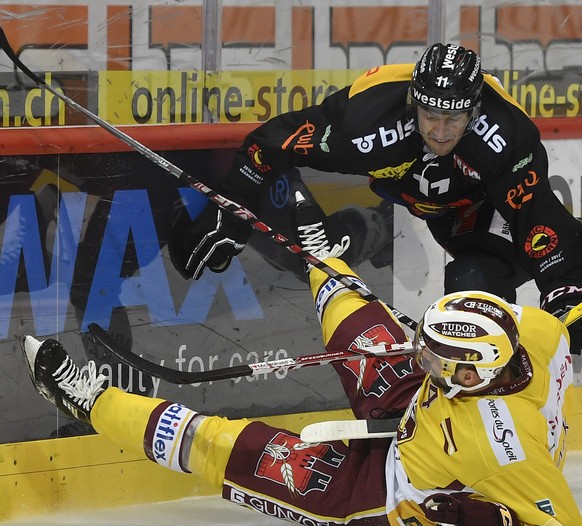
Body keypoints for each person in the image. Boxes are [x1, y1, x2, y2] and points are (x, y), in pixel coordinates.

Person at [22, 196, 582, 526]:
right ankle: (313, 243)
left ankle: (91, 401)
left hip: (384, 490)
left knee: (223, 445)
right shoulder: (530, 328)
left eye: (434, 355)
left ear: (470, 371)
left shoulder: (505, 445)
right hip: (426, 412)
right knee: (359, 317)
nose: (419, 353)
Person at [168, 42, 582, 354]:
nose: (440, 130)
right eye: (430, 115)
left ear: (473, 112)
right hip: (441, 214)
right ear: (412, 102)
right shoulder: (365, 124)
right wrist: (231, 209)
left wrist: (565, 292)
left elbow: (535, 214)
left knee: (470, 289)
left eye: (454, 118)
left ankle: (496, 400)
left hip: (488, 209)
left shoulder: (504, 136)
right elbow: (272, 143)